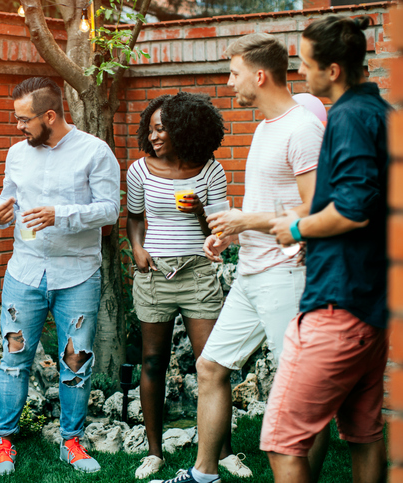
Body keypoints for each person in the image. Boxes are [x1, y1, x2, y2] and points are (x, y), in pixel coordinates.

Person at [157, 33, 323, 483]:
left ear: (260, 74)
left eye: (234, 72)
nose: (229, 81)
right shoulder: (266, 127)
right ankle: (203, 474)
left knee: (301, 392)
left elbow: (315, 209)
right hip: (251, 272)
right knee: (210, 366)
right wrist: (229, 236)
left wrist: (244, 220)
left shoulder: (302, 129)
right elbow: (266, 205)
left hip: (287, 275)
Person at [265, 16, 390, 483]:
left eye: (306, 62)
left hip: (336, 306)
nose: (300, 71)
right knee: (364, 435)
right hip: (371, 306)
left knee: (282, 442)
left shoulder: (349, 116)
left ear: (333, 69)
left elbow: (355, 208)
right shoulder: (381, 113)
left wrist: (298, 228)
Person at [0, 77, 120, 475]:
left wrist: (58, 214)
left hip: (77, 273)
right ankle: (4, 442)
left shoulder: (95, 153)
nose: (18, 127)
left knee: (75, 362)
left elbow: (110, 210)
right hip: (24, 271)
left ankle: (72, 442)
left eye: (24, 119)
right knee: (13, 359)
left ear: (50, 115)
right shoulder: (16, 154)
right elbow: (5, 203)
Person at [127, 92, 231, 480]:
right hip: (154, 273)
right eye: (151, 128)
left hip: (197, 272)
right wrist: (137, 247)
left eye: (162, 129)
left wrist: (201, 211)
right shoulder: (140, 170)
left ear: (184, 129)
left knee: (211, 365)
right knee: (153, 360)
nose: (154, 136)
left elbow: (219, 231)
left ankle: (223, 453)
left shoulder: (209, 170)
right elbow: (134, 218)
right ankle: (154, 452)